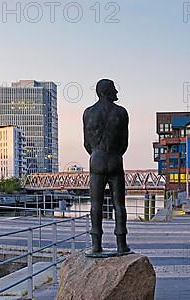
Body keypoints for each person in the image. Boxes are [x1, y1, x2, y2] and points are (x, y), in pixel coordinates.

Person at [83, 79, 131, 256]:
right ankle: (121, 244)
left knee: (96, 204)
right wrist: (115, 154)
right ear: (105, 91)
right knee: (119, 204)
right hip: (115, 159)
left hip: (96, 160)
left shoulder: (88, 113)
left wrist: (96, 152)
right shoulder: (121, 112)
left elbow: (86, 143)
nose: (116, 92)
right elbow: (125, 142)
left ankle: (96, 245)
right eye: (113, 89)